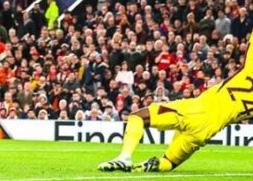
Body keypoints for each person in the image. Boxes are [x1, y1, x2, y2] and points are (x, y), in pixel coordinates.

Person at [99, 32, 253, 173]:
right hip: (206, 132)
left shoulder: (249, 73)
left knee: (137, 117)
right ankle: (145, 167)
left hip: (195, 111)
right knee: (168, 162)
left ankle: (124, 158)